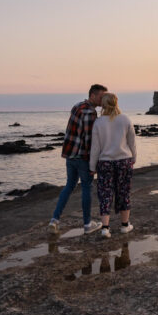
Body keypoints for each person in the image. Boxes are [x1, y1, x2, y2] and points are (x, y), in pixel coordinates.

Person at [48, 84, 107, 234]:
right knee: (87, 187)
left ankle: (55, 220)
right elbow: (89, 142)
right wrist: (93, 164)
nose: (103, 99)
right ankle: (87, 224)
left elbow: (71, 132)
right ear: (92, 95)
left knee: (69, 185)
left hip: (70, 154)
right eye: (101, 96)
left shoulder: (77, 106)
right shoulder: (90, 113)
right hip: (83, 157)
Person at [89, 92, 136, 238]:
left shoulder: (98, 122)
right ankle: (124, 226)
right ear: (116, 103)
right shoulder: (125, 119)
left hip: (105, 162)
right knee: (123, 192)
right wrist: (134, 158)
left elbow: (95, 147)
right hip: (124, 161)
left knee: (105, 193)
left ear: (103, 105)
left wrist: (92, 166)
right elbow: (132, 142)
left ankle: (105, 228)